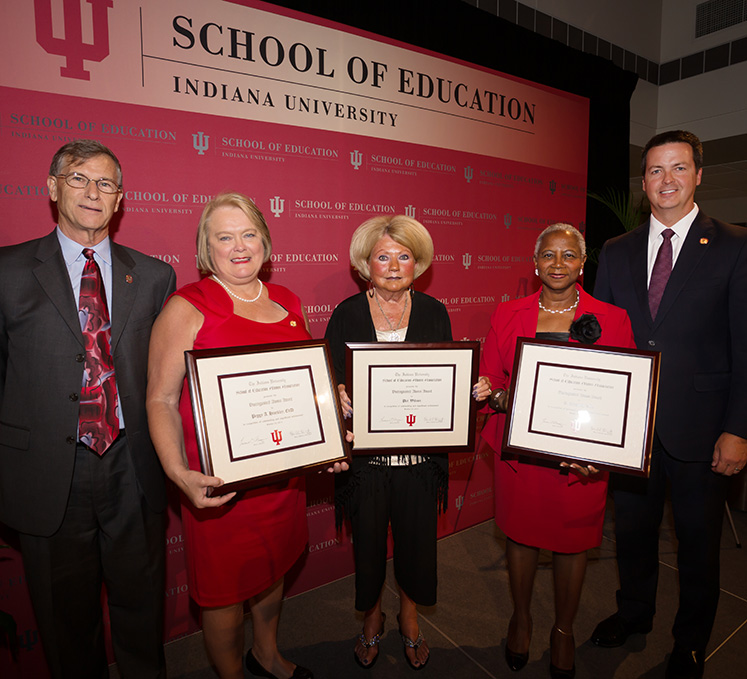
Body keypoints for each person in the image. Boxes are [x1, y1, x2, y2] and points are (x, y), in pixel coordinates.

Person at [0, 140, 176, 677]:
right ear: (52, 187)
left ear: (120, 200)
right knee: (65, 621)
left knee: (141, 612)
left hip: (132, 466)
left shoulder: (153, 276)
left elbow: (168, 377)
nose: (93, 192)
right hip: (48, 472)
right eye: (78, 178)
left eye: (106, 183)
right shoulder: (6, 271)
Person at [147, 192, 325, 679]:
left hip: (284, 478)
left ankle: (266, 654)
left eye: (249, 234)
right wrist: (178, 474)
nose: (239, 247)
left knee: (274, 569)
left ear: (266, 242)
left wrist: (328, 437)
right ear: (206, 248)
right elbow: (159, 400)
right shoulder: (188, 306)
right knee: (224, 595)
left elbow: (304, 388)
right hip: (220, 489)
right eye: (224, 237)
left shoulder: (289, 300)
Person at [591, 130, 747, 679]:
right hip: (631, 428)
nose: (667, 181)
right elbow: (602, 343)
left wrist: (739, 428)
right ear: (643, 183)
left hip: (703, 429)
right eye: (656, 171)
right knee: (631, 533)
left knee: (698, 545)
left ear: (699, 175)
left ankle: (690, 641)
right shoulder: (617, 251)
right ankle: (633, 614)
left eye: (678, 168)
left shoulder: (734, 244)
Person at [324, 215, 491, 670]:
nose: (394, 266)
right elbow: (328, 379)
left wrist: (469, 391)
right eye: (383, 256)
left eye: (404, 256)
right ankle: (373, 616)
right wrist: (335, 392)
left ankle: (411, 616)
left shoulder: (435, 311)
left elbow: (444, 381)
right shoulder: (346, 313)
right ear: (365, 264)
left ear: (418, 264)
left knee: (418, 545)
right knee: (370, 547)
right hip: (368, 463)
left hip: (420, 460)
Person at [480, 223, 634, 678]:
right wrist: (505, 396)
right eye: (549, 255)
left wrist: (603, 452)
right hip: (523, 454)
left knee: (573, 543)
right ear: (535, 264)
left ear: (583, 264)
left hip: (581, 460)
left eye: (569, 256)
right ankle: (522, 617)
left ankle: (563, 630)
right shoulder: (508, 314)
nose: (559, 264)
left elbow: (620, 395)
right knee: (521, 536)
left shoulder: (614, 318)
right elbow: (493, 382)